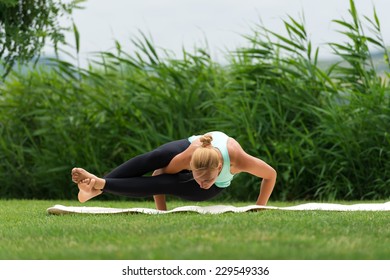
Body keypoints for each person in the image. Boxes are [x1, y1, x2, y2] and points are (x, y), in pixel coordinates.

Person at [71, 131, 276, 210]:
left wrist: (260, 206)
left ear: (220, 168)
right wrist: (162, 210)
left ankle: (99, 184)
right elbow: (159, 172)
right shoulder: (190, 154)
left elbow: (270, 175)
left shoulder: (238, 160)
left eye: (207, 178)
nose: (202, 182)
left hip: (215, 181)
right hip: (188, 148)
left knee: (169, 184)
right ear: (191, 167)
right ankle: (95, 188)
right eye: (197, 176)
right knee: (156, 158)